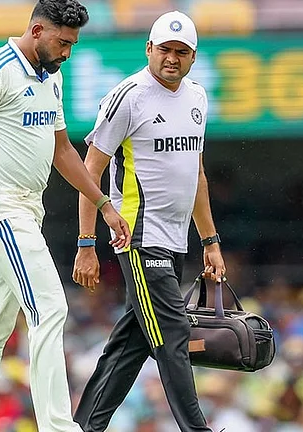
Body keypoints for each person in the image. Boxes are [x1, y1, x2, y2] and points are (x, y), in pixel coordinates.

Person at [0, 1, 131, 430]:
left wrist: (104, 205)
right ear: (37, 31)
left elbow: (63, 151)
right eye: (62, 43)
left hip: (26, 211)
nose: (67, 53)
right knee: (50, 307)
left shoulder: (50, 77)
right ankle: (58, 425)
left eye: (73, 45)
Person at [71, 11, 226, 432]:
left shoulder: (197, 97)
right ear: (149, 49)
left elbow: (196, 174)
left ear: (193, 57)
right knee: (173, 332)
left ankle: (84, 426)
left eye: (181, 52)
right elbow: (90, 170)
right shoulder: (128, 96)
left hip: (176, 239)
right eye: (164, 49)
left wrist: (209, 240)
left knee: (132, 343)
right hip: (137, 237)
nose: (171, 58)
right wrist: (86, 243)